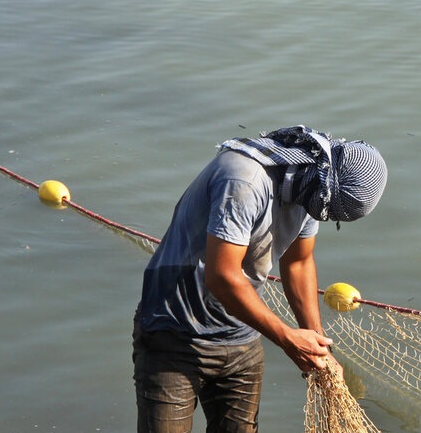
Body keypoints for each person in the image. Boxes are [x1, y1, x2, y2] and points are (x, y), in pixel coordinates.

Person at [133, 125, 388, 433]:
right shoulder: (244, 180)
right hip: (175, 334)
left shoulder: (309, 189)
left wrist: (318, 345)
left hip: (241, 336)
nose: (323, 216)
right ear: (325, 186)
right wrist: (288, 339)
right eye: (328, 211)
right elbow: (222, 276)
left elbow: (299, 263)